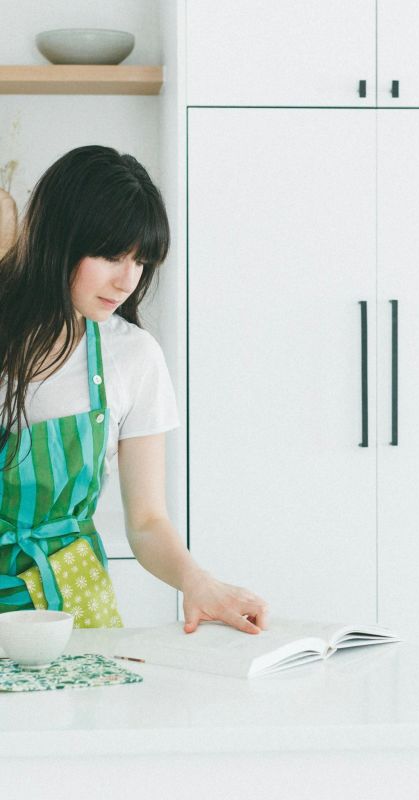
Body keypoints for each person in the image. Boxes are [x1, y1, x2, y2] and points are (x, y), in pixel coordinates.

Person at [0, 145, 268, 634]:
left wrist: (198, 583)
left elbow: (146, 522)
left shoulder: (133, 357)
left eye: (141, 261)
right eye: (110, 255)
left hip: (70, 606)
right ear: (58, 238)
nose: (128, 280)